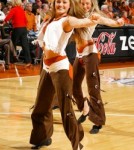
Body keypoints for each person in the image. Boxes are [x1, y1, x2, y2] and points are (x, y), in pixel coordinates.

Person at [29, 0, 106, 149]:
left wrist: (97, 20)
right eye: (58, 2)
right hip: (46, 66)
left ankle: (77, 144)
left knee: (67, 112)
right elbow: (43, 40)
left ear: (70, 6)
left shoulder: (68, 20)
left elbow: (84, 21)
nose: (61, 5)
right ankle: (42, 138)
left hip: (60, 68)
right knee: (40, 107)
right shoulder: (50, 20)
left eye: (64, 2)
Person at [72, 0, 124, 134]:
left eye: (87, 3)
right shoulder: (73, 15)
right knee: (74, 86)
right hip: (79, 55)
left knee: (93, 89)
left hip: (90, 54)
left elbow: (108, 22)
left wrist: (117, 23)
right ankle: (85, 109)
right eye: (82, 3)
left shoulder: (94, 16)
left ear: (92, 4)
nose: (85, 6)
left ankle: (98, 121)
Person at [4, 0, 32, 67]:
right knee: (25, 45)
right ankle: (28, 61)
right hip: (24, 29)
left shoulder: (14, 9)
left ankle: (11, 60)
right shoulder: (22, 10)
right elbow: (26, 20)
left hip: (17, 28)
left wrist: (4, 21)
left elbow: (7, 18)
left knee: (12, 44)